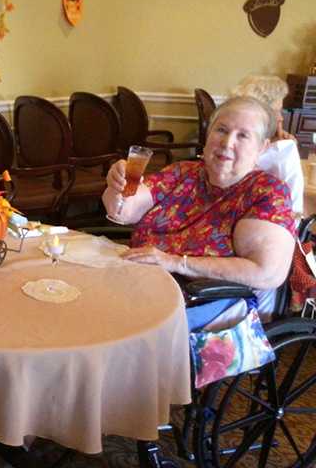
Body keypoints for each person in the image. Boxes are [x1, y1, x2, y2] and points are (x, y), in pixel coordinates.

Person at [103, 96, 296, 327]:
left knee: (108, 325)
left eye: (243, 135)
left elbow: (266, 272)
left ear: (262, 148)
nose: (227, 142)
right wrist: (118, 186)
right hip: (139, 282)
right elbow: (123, 212)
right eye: (221, 130)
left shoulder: (266, 191)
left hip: (200, 302)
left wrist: (175, 262)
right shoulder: (183, 172)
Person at [228, 75, 303, 218]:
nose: (281, 117)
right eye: (277, 110)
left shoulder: (229, 138)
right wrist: (287, 146)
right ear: (261, 111)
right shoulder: (283, 151)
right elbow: (295, 210)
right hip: (269, 222)